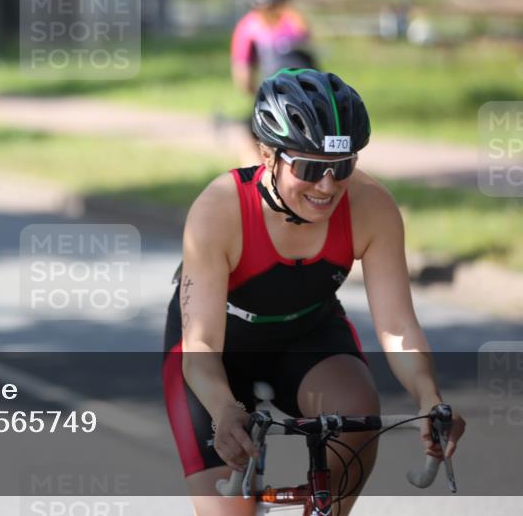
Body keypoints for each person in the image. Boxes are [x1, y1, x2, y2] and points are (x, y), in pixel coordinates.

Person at [162, 69, 465, 516]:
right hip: (219, 352)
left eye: (342, 167)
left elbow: (399, 325)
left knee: (357, 412)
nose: (327, 186)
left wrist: (428, 396)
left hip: (307, 332)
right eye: (309, 168)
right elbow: (202, 343)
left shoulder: (371, 206)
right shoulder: (218, 209)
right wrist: (225, 408)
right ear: (267, 154)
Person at [230, 0, 315, 96]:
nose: (269, 12)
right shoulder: (248, 27)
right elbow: (242, 69)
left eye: (273, 7)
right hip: (276, 86)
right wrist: (257, 94)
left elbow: (306, 38)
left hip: (304, 85)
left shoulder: (291, 19)